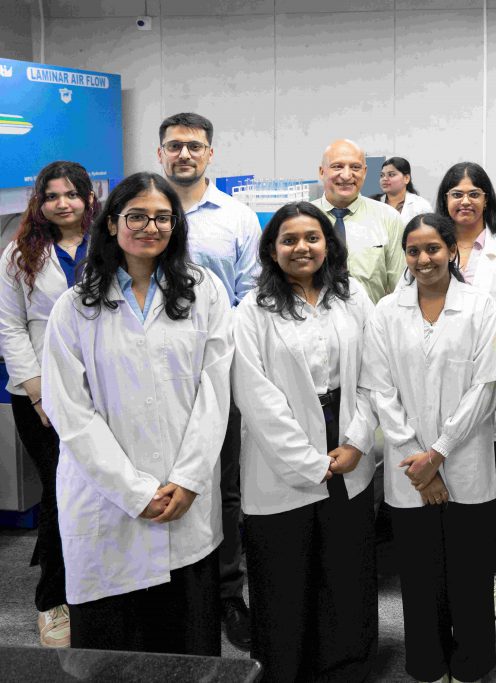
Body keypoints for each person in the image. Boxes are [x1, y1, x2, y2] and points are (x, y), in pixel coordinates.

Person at [40, 172, 232, 654]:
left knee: (187, 646)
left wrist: (189, 478)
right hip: (106, 503)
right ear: (112, 223)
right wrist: (133, 491)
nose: (151, 227)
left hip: (185, 497)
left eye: (163, 218)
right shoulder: (74, 307)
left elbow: (215, 389)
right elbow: (70, 410)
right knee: (114, 651)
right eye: (137, 216)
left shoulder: (205, 291)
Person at [232, 201, 378, 682]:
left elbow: (375, 373)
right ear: (272, 250)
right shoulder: (252, 310)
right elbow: (255, 395)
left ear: (328, 245)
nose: (302, 248)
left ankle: (348, 666)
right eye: (289, 240)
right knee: (284, 569)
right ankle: (286, 668)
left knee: (346, 565)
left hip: (348, 437)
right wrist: (309, 461)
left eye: (312, 238)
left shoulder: (352, 296)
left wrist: (357, 440)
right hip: (281, 453)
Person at [362, 213, 496, 683]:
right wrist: (419, 462)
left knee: (469, 573)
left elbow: (489, 385)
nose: (424, 259)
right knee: (420, 574)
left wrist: (439, 452)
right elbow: (380, 389)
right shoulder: (386, 311)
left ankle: (471, 664)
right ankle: (427, 663)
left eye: (433, 249)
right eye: (414, 251)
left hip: (464, 460)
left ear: (450, 250)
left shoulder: (479, 306)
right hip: (409, 467)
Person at [157, 112, 261, 649]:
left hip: (219, 368)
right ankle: (166, 585)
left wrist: (215, 347)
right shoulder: (144, 210)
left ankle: (224, 591)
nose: (184, 155)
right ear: (160, 153)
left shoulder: (237, 218)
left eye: (194, 146)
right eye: (175, 146)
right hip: (152, 373)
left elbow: (250, 293)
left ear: (210, 154)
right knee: (158, 472)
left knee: (224, 484)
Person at [0, 161, 95, 648]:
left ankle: (96, 588)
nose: (62, 203)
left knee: (99, 493)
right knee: (61, 495)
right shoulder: (20, 253)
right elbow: (10, 326)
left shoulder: (109, 244)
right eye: (52, 195)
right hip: (39, 396)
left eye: (71, 194)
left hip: (99, 390)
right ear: (39, 202)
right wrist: (38, 391)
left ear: (88, 198)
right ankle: (51, 600)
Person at [435, 162, 496, 619]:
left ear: (487, 199)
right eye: (456, 193)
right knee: (446, 478)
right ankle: (448, 565)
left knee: (494, 485)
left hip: (494, 382)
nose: (465, 201)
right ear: (445, 200)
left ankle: (489, 571)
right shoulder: (432, 245)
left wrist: (481, 363)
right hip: (438, 384)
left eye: (474, 193)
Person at [313, 138, 405, 304]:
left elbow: (400, 288)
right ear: (321, 171)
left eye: (355, 167)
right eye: (337, 166)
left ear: (365, 172)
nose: (347, 175)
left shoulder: (388, 218)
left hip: (371, 318)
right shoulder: (303, 218)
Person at [375, 156, 432, 224]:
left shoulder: (421, 205)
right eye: (382, 175)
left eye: (391, 175)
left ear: (406, 178)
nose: (384, 179)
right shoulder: (373, 203)